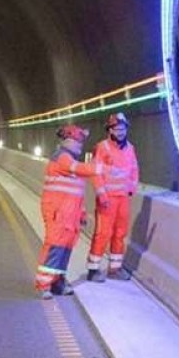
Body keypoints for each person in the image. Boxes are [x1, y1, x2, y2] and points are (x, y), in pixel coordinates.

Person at [34, 124, 102, 299]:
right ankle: (44, 284)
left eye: (81, 141)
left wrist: (81, 213)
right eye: (77, 140)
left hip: (70, 214)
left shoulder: (71, 161)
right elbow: (81, 169)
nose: (80, 144)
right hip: (57, 212)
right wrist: (104, 168)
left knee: (65, 249)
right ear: (66, 141)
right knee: (55, 247)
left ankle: (57, 281)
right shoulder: (62, 158)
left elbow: (76, 193)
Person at [87, 112, 139, 282]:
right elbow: (95, 172)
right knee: (103, 233)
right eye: (116, 129)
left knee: (120, 233)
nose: (120, 132)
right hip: (107, 198)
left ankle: (115, 268)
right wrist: (101, 193)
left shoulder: (130, 148)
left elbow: (134, 170)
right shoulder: (102, 148)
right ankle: (93, 269)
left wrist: (131, 188)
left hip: (123, 198)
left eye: (123, 129)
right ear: (109, 130)